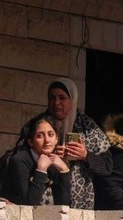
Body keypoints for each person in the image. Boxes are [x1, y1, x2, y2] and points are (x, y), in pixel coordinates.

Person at [18, 78, 113, 209]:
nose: (56, 102)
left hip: (79, 207)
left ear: (72, 100)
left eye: (62, 98)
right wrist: (49, 153)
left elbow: (107, 167)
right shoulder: (38, 126)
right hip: (42, 204)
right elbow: (21, 156)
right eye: (52, 98)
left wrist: (85, 155)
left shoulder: (87, 127)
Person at [0, 116, 71, 205]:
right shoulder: (19, 160)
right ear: (30, 141)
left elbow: (63, 205)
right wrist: (41, 169)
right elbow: (29, 205)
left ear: (56, 139)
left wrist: (64, 170)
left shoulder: (54, 161)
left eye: (50, 135)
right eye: (39, 136)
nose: (47, 140)